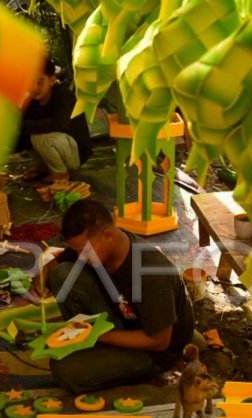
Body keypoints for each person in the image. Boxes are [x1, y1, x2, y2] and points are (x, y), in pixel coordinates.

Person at [44, 200, 195, 393]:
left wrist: (98, 335)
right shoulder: (97, 245)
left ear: (107, 235)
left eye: (82, 251)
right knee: (61, 275)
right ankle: (101, 351)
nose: (80, 256)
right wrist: (43, 275)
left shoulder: (151, 274)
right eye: (76, 251)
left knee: (65, 370)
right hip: (125, 319)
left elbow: (159, 342)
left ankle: (141, 369)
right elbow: (56, 264)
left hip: (155, 350)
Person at [17, 57, 92, 182]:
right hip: (59, 145)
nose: (34, 88)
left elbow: (59, 124)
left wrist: (27, 126)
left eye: (40, 82)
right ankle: (44, 167)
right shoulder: (30, 102)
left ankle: (61, 173)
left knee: (38, 137)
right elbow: (22, 129)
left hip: (76, 153)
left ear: (52, 80)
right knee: (29, 136)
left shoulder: (63, 95)